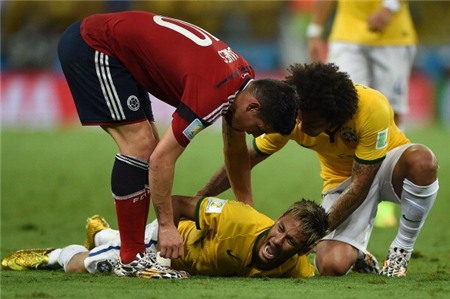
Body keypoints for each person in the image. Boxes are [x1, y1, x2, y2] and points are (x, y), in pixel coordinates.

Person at [57, 11, 299, 277]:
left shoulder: (242, 80)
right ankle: (132, 258)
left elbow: (235, 150)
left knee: (147, 146)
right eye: (260, 129)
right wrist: (167, 227)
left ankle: (127, 249)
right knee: (141, 146)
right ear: (253, 107)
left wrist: (247, 208)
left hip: (120, 54)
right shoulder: (214, 94)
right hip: (93, 44)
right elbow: (162, 160)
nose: (255, 135)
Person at [197, 63, 439, 277]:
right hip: (341, 182)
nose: (300, 126)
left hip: (386, 166)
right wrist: (201, 197)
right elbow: (244, 161)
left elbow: (360, 188)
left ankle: (402, 249)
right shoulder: (293, 118)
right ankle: (358, 256)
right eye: (299, 119)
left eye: (310, 123)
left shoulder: (371, 108)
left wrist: (314, 234)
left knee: (422, 161)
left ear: (334, 117)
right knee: (330, 266)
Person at [2, 195, 329, 279]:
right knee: (81, 268)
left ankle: (102, 233)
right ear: (277, 220)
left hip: (179, 265)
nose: (277, 240)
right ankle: (56, 255)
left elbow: (319, 270)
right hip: (164, 245)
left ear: (303, 250)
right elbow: (177, 203)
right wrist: (160, 253)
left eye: (290, 241)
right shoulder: (237, 218)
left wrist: (360, 257)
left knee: (109, 245)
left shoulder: (297, 268)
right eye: (280, 228)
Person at [306, 0, 418, 227]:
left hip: (393, 35)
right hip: (347, 36)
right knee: (341, 108)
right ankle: (348, 193)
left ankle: (387, 195)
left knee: (391, 114)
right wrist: (315, 31)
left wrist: (389, 8)